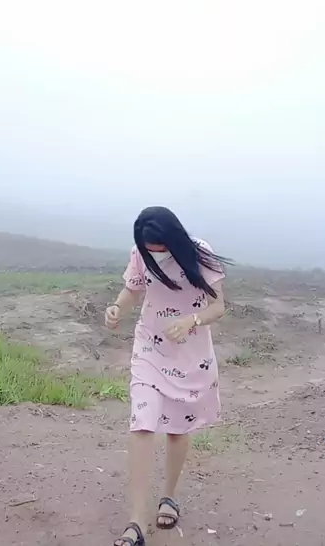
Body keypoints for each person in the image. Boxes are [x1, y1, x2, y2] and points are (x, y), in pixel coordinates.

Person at [105, 206, 230, 546]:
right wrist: (117, 308)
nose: (156, 255)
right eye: (151, 250)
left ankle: (169, 497)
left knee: (177, 428)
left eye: (161, 248)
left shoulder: (200, 253)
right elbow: (133, 290)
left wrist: (191, 321)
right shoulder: (140, 253)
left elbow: (218, 306)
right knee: (142, 422)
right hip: (149, 347)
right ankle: (136, 523)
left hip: (190, 353)